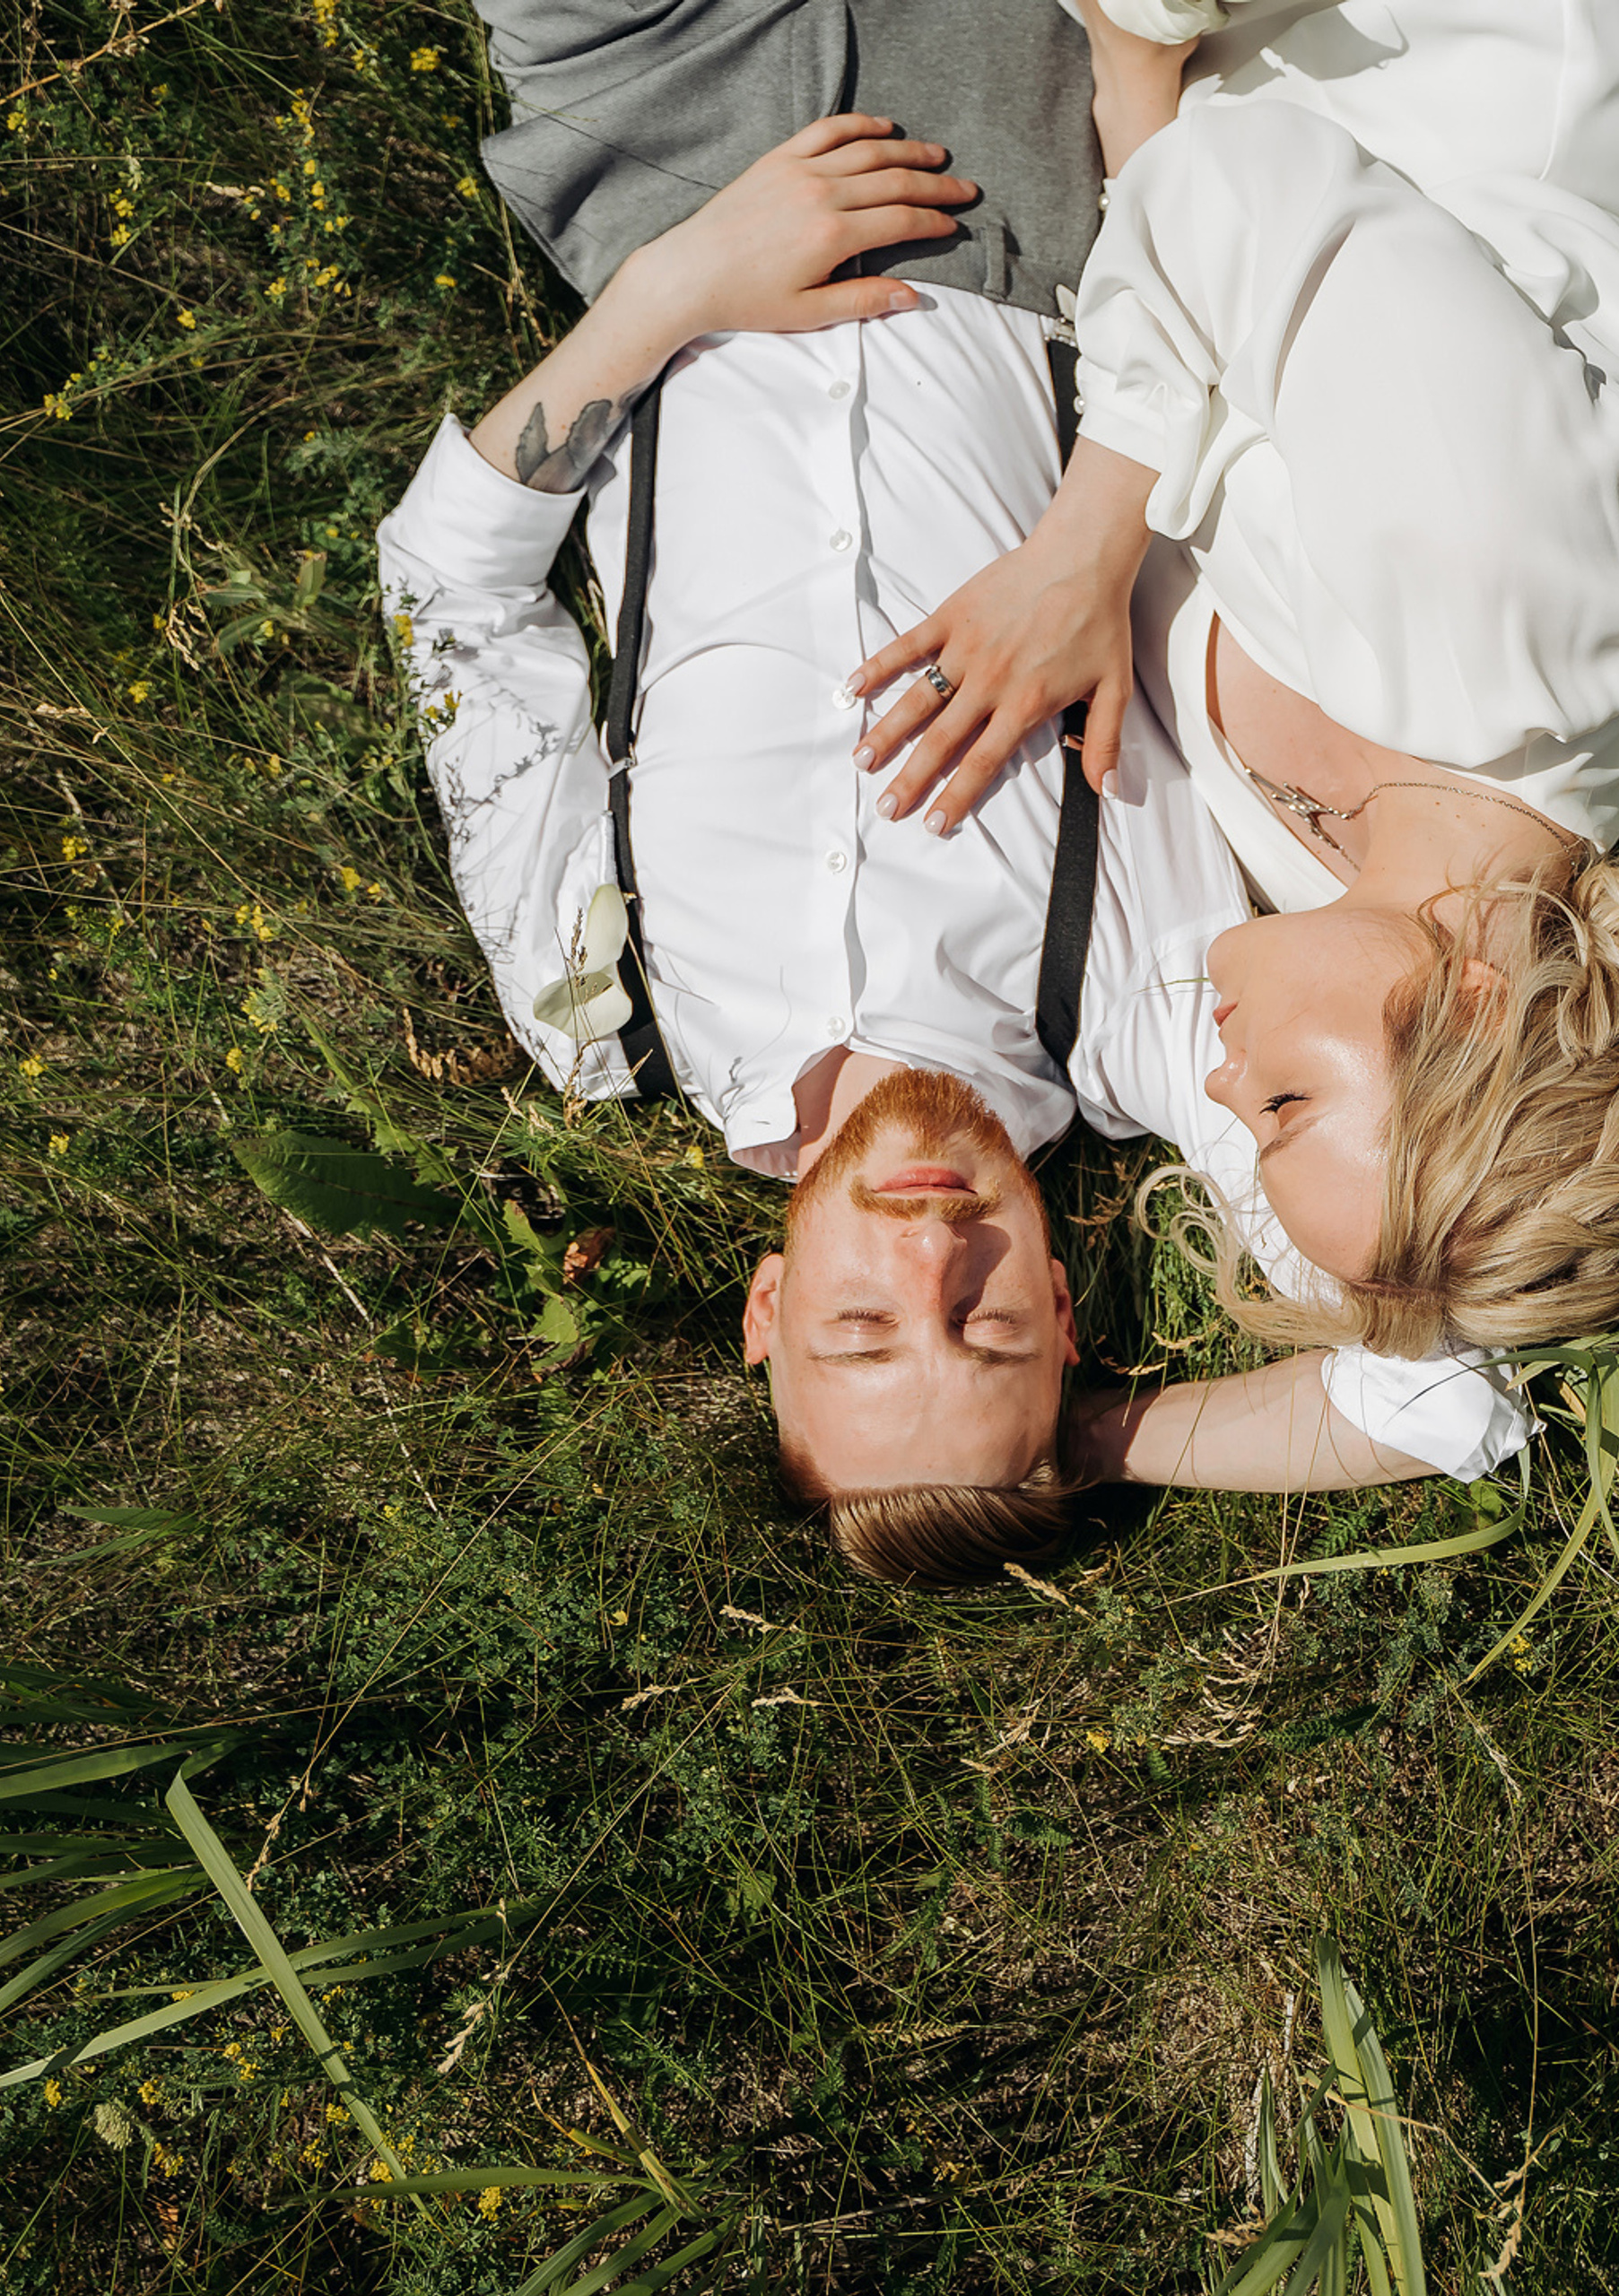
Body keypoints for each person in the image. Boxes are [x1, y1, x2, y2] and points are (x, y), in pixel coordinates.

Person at [376, 20, 1536, 1585]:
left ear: (766, 1314)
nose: (933, 1253)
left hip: (667, 164)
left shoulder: (599, 1006)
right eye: (990, 1327)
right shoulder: (1148, 1026)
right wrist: (1096, 1440)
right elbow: (1446, 1396)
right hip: (1012, 192)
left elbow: (450, 599)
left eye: (861, 1328)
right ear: (1068, 1315)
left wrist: (673, 292)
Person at [845, 0, 1619, 1365]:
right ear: (1470, 1002)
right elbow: (1252, 190)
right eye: (1286, 1102)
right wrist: (1082, 555)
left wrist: (1135, 92)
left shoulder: (1341, 882)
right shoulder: (1529, 606)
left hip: (1191, 105)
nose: (1223, 1081)